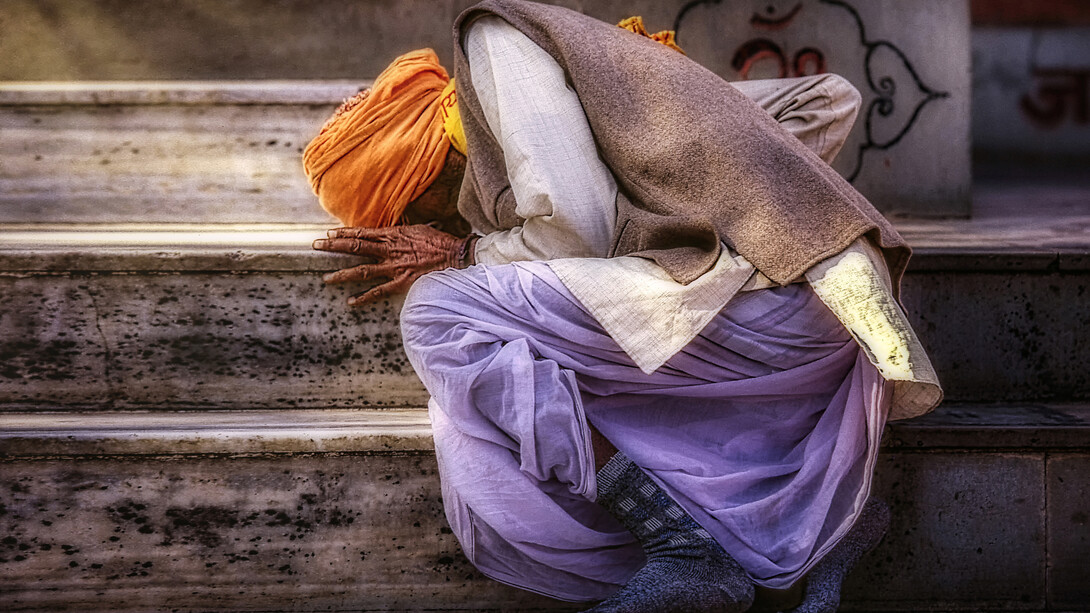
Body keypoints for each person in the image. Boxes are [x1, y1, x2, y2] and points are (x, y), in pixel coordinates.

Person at [305, 1, 942, 611]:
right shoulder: (609, 91)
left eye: (412, 214)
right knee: (517, 361)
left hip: (779, 304)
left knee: (439, 312)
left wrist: (464, 253)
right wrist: (683, 201)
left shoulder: (494, 40)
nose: (431, 227)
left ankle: (686, 547)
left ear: (424, 167)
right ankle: (818, 527)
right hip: (822, 315)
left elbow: (576, 229)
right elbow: (826, 99)